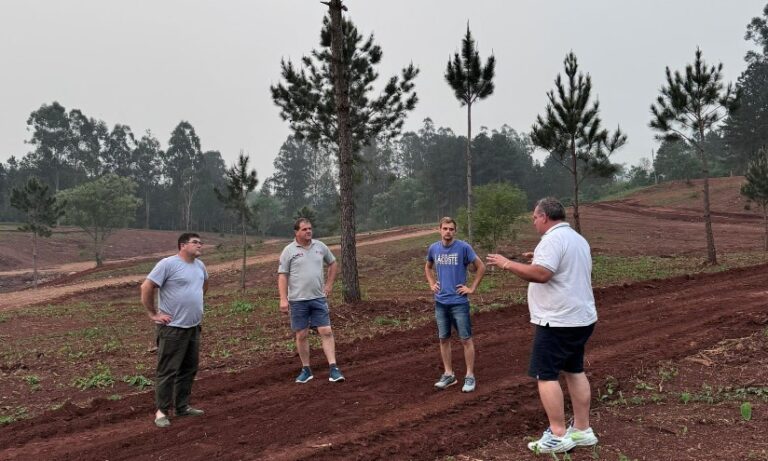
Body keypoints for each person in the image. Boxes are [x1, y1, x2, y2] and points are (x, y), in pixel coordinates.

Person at [487, 197, 598, 454]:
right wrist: (536, 256)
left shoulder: (552, 240)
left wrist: (507, 263)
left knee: (545, 375)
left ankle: (557, 435)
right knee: (574, 369)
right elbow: (560, 266)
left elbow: (541, 274)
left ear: (545, 217)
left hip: (557, 320)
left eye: (535, 218)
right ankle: (582, 430)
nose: (534, 222)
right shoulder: (576, 239)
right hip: (581, 318)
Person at [141, 233, 209, 428]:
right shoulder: (167, 264)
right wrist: (153, 313)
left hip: (193, 327)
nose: (200, 245)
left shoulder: (200, 266)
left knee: (189, 369)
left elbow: (204, 285)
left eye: (200, 242)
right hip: (173, 329)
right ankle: (161, 411)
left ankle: (182, 406)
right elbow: (146, 287)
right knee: (168, 371)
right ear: (182, 245)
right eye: (195, 242)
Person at [278, 218, 344, 384]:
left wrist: (329, 285)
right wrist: (283, 299)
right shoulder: (288, 251)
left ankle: (333, 368)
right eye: (304, 229)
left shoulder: (320, 246)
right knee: (301, 334)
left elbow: (333, 263)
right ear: (296, 232)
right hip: (298, 301)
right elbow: (282, 275)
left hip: (318, 298)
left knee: (326, 331)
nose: (309, 231)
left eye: (310, 228)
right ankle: (306, 369)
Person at [425, 217, 486, 393]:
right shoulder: (434, 248)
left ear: (455, 231)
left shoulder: (463, 248)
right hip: (441, 302)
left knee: (465, 339)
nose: (448, 232)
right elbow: (428, 267)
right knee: (443, 339)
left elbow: (480, 267)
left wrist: (472, 287)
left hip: (459, 302)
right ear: (439, 230)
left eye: (451, 229)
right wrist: (431, 283)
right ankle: (449, 374)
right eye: (445, 228)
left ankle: (469, 376)